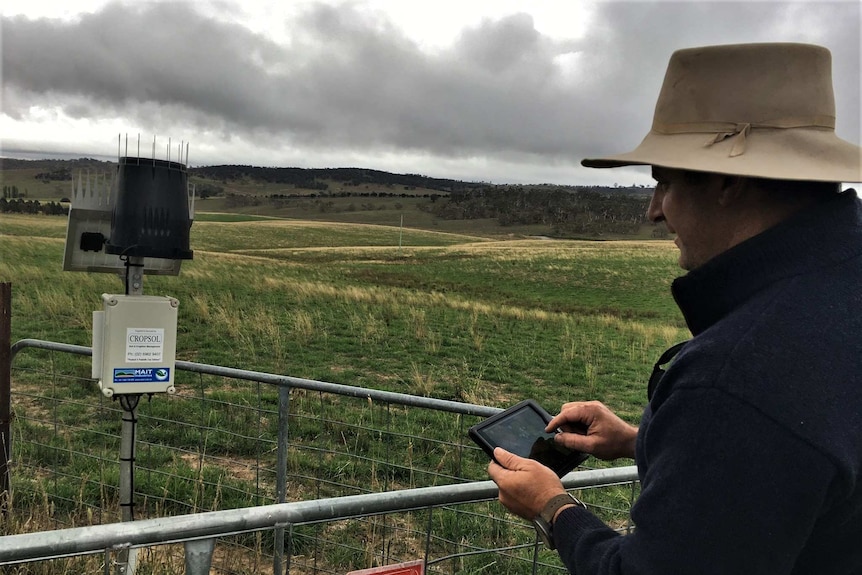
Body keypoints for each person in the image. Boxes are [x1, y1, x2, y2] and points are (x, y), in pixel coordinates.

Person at [487, 42, 862, 574]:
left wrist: (552, 507)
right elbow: (802, 460)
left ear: (730, 181)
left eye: (665, 179)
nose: (654, 210)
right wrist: (647, 442)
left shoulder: (737, 378)